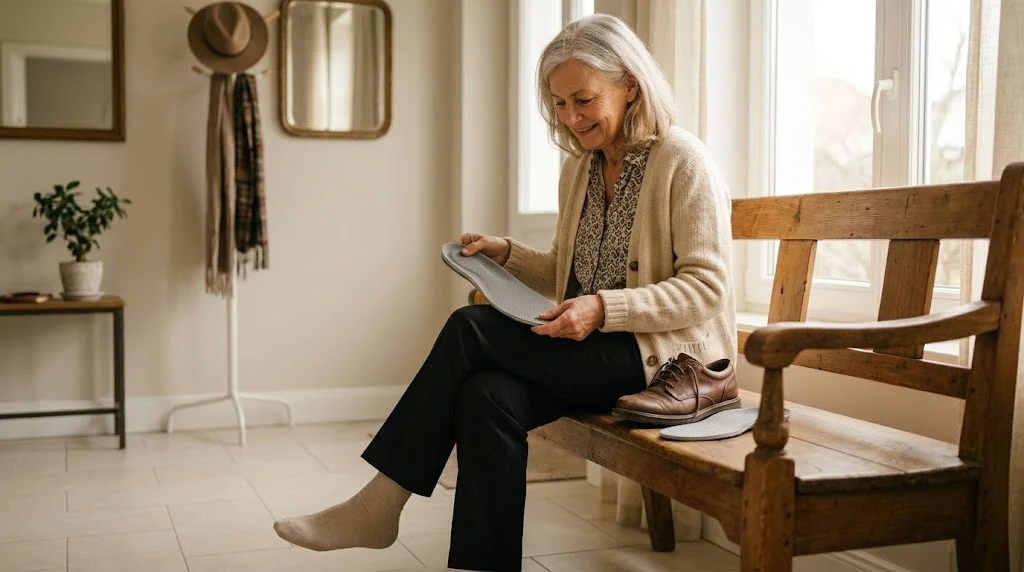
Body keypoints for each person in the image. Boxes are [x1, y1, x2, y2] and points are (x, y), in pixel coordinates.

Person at [272, 13, 737, 572]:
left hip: (659, 363)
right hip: (591, 354)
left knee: (469, 329)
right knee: (486, 395)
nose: (571, 117)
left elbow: (706, 288)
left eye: (584, 99)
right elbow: (571, 273)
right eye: (560, 104)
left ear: (631, 84)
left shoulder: (682, 162)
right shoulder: (580, 169)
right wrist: (508, 254)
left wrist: (604, 308)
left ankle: (381, 502)